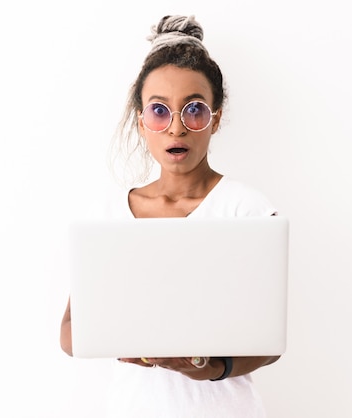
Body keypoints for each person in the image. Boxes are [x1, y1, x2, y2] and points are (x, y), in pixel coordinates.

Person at [60, 15, 281, 417]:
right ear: (141, 120)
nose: (176, 128)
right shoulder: (108, 215)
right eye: (160, 111)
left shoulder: (247, 210)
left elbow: (269, 342)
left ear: (214, 117)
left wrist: (211, 368)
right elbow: (70, 331)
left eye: (193, 110)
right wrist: (130, 340)